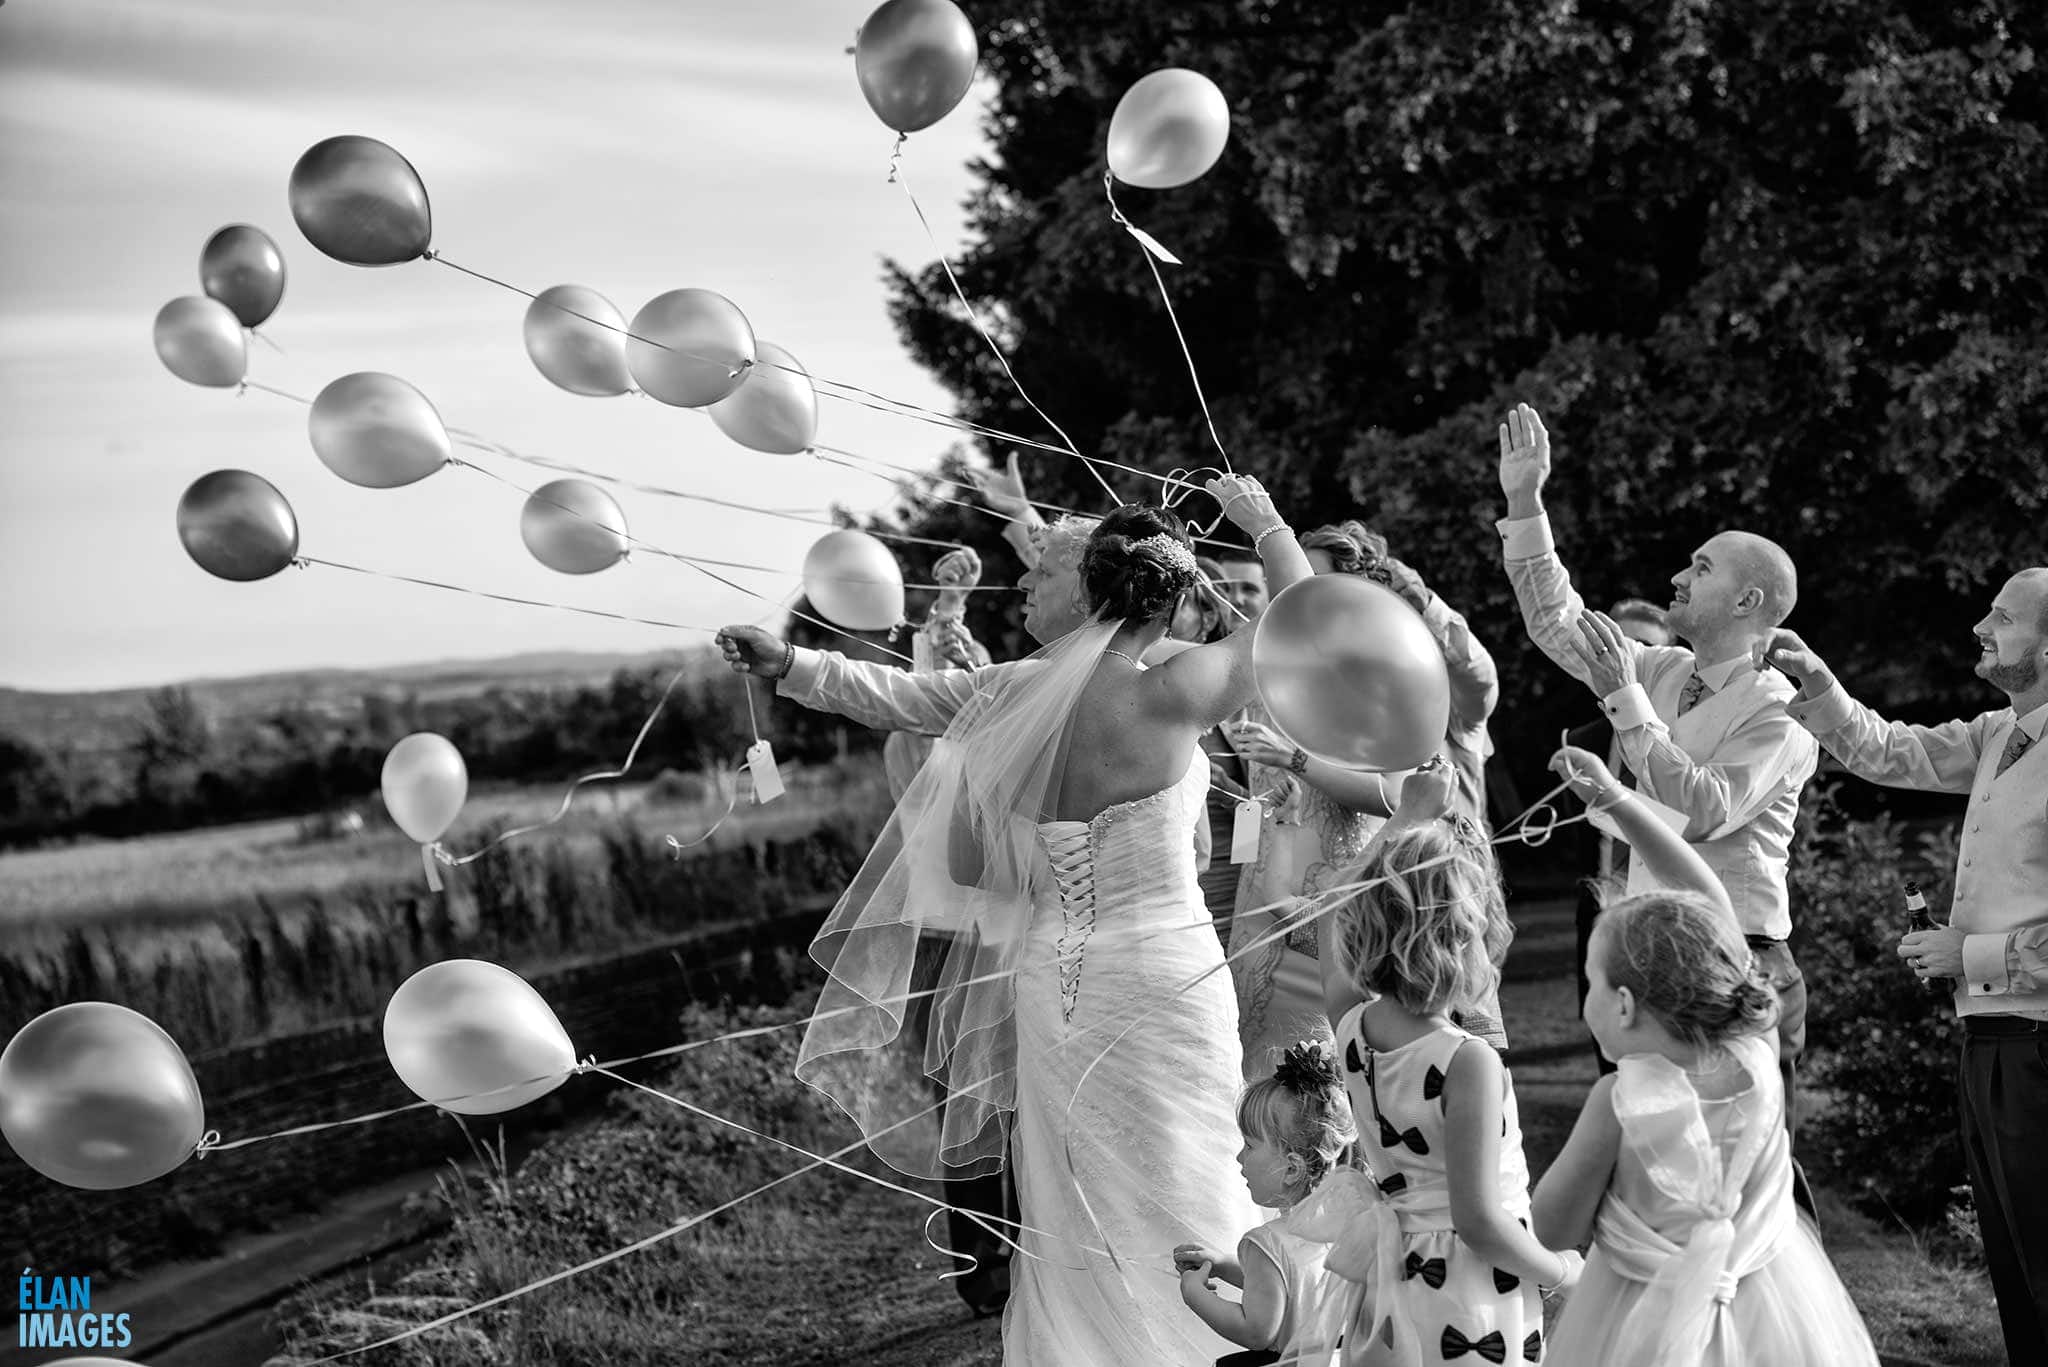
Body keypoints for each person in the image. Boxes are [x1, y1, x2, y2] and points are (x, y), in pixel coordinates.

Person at [717, 476, 1316, 1365]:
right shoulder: (1180, 690)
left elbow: (890, 697)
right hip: (1165, 973)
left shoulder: (1017, 688)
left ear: (1096, 592)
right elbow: (1301, 615)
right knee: (1190, 1155)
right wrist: (1265, 522)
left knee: (1076, 1183)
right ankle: (1214, 1331)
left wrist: (788, 664)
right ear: (1166, 603)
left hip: (1055, 981)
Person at [1495, 402, 1819, 1149]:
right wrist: (1525, 499)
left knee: (1748, 1162)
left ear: (1747, 602)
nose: (1677, 574)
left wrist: (1626, 702)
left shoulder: (1784, 713)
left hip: (1737, 956)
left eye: (1700, 568)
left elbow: (1701, 808)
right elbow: (1555, 620)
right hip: (1647, 942)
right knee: (1654, 1151)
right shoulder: (1662, 667)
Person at [1762, 566, 2048, 1363]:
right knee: (2016, 1272)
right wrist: (1820, 686)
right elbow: (1888, 750)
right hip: (1987, 1046)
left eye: (2003, 617)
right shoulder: (1998, 732)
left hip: (2041, 1049)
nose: (1979, 629)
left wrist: (1971, 951)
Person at [1534, 743, 1880, 1366]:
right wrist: (1615, 798)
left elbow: (1553, 1229)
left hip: (1636, 1323)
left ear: (1624, 1006)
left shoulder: (1619, 1100)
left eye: (1590, 981)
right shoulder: (1756, 1052)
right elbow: (1707, 891)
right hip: (1774, 1311)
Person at [1306, 758, 1579, 1366]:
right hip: (1472, 1294)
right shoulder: (1467, 1061)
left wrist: (1407, 817)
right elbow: (1479, 1220)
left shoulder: (1352, 1025)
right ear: (1465, 934)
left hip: (1395, 1283)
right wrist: (1561, 1271)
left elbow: (1332, 910)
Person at [1173, 1042, 1357, 1367]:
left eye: (1249, 1145)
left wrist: (1195, 1294)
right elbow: (1289, 1291)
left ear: (1291, 1168)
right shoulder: (1348, 1223)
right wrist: (1223, 1265)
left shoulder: (1266, 1244)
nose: (1239, 1157)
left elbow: (1257, 1329)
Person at [1568, 599, 1677, 1074]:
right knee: (1607, 1060)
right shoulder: (1580, 740)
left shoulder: (1678, 744)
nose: (1626, 661)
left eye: (1645, 649)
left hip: (1662, 911)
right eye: (1614, 646)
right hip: (1598, 912)